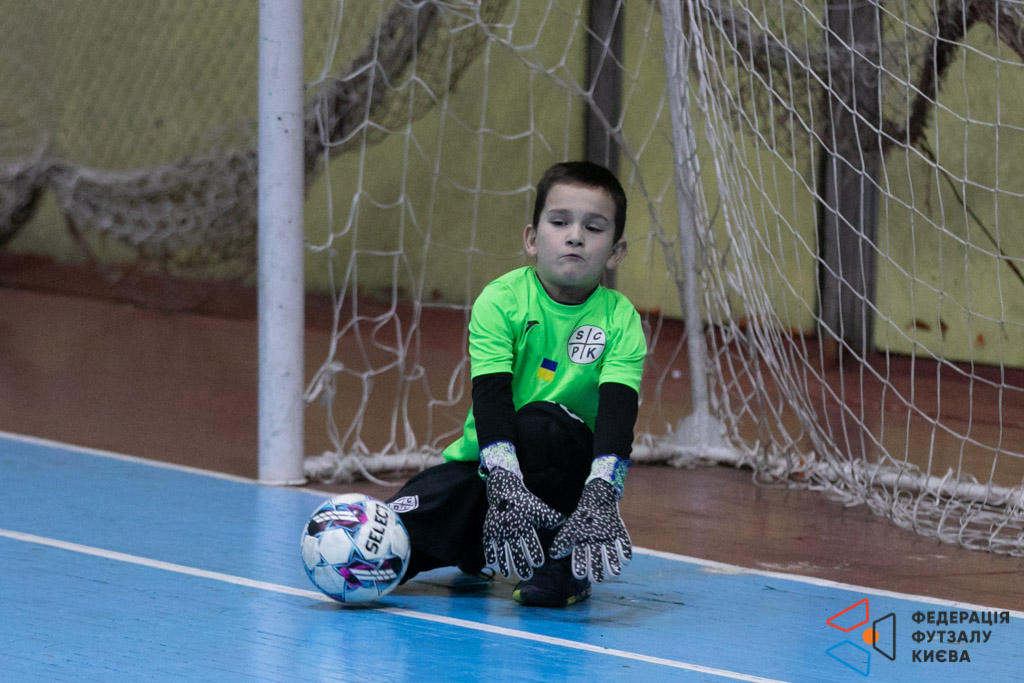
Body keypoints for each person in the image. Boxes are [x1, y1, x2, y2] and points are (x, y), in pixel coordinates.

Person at [387, 161, 646, 607]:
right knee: (386, 536)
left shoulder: (620, 319)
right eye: (559, 222)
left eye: (594, 227)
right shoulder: (501, 300)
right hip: (490, 467)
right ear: (531, 238)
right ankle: (480, 544)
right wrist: (504, 486)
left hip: (565, 473)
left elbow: (618, 418)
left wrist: (603, 492)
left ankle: (560, 559)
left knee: (541, 423)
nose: (575, 236)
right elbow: (491, 400)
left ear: (616, 252)